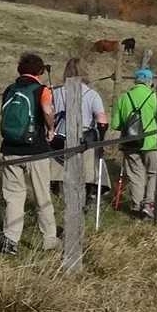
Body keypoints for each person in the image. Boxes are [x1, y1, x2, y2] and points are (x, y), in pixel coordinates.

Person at [0, 53, 60, 256]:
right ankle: (49, 238)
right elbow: (48, 112)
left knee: (13, 196)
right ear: (40, 72)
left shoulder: (9, 90)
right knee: (42, 195)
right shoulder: (42, 90)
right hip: (36, 150)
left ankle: (10, 240)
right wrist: (51, 129)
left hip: (10, 148)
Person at [49, 58, 109, 206]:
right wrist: (101, 141)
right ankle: (89, 195)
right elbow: (102, 120)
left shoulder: (57, 93)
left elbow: (50, 114)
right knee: (89, 171)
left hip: (60, 139)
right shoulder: (92, 94)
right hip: (85, 139)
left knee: (58, 171)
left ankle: (60, 199)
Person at [111, 68, 157, 217]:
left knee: (135, 174)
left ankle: (136, 205)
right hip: (151, 142)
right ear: (149, 81)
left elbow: (115, 124)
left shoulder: (124, 97)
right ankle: (149, 204)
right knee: (153, 173)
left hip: (130, 142)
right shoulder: (154, 97)